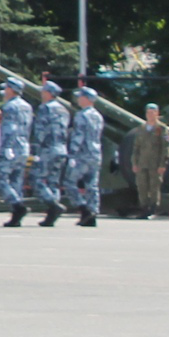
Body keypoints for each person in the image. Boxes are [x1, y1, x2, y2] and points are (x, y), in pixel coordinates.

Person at [30, 80, 70, 227]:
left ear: (48, 93)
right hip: (61, 148)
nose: (41, 94)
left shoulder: (45, 108)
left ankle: (53, 205)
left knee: (36, 179)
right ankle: (52, 214)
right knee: (53, 181)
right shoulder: (63, 109)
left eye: (43, 91)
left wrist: (36, 150)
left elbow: (40, 131)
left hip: (47, 149)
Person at [0, 80, 34, 226]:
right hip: (23, 146)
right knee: (16, 181)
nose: (4, 92)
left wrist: (7, 147)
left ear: (11, 90)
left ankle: (17, 206)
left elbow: (9, 129)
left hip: (12, 147)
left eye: (6, 89)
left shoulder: (10, 106)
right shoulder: (27, 106)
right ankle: (16, 216)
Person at [67, 87, 105, 227]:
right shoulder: (98, 115)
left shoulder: (81, 115)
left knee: (69, 182)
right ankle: (93, 213)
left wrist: (72, 154)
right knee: (92, 185)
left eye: (80, 97)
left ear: (86, 99)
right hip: (95, 154)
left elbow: (78, 136)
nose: (78, 99)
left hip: (82, 155)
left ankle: (84, 209)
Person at [131, 104, 169, 217]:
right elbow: (136, 147)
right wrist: (134, 163)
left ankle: (152, 209)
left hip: (155, 163)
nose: (150, 115)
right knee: (142, 186)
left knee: (154, 187)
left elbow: (165, 147)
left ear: (157, 114)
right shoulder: (141, 128)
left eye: (153, 112)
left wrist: (163, 164)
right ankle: (144, 208)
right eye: (148, 112)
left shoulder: (161, 128)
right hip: (142, 162)